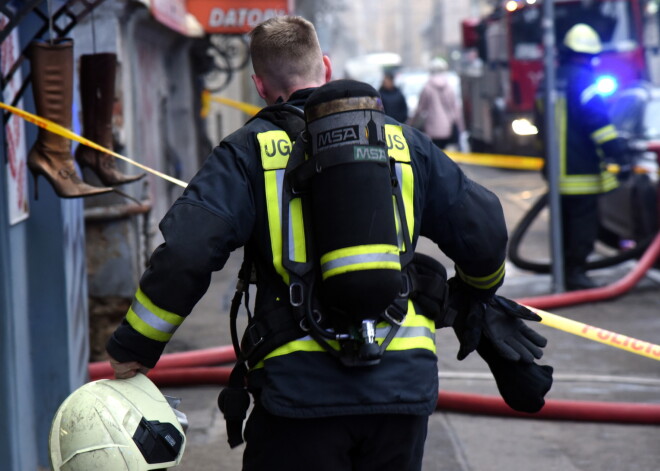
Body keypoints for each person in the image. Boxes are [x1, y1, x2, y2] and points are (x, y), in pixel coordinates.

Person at [106, 15, 548, 470]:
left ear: (259, 86)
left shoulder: (246, 152)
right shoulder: (403, 143)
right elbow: (486, 229)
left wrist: (135, 348)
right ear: (327, 67)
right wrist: (476, 293)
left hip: (301, 391)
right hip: (402, 386)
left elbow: (186, 252)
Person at [535, 23, 630, 291]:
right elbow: (598, 123)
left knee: (562, 223)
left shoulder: (549, 80)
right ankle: (576, 273)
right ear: (585, 56)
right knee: (582, 225)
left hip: (556, 168)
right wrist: (618, 155)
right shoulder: (584, 80)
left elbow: (539, 123)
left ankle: (564, 273)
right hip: (580, 168)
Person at [411, 57, 464, 150]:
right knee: (446, 154)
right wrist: (461, 127)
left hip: (432, 128)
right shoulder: (449, 87)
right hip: (448, 128)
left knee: (435, 153)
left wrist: (411, 123)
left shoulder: (427, 88)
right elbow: (456, 109)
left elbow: (420, 109)